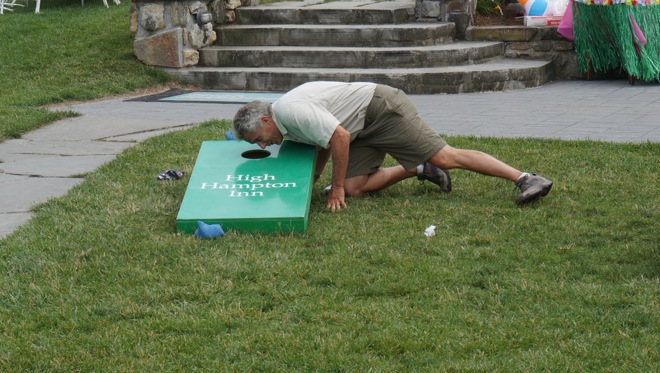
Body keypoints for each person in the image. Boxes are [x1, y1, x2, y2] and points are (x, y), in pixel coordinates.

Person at [233, 81, 552, 212]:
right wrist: (311, 184)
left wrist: (335, 189)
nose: (264, 145)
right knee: (357, 188)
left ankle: (525, 178)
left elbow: (338, 138)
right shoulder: (285, 123)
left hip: (380, 109)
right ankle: (420, 168)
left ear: (264, 120)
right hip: (358, 128)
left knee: (445, 155)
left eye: (259, 139)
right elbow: (323, 144)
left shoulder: (290, 111)